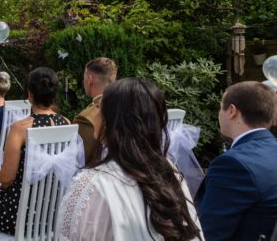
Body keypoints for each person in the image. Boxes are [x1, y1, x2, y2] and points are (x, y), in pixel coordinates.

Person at [58, 78, 202, 240]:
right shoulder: (169, 171)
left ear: (111, 121)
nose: (96, 114)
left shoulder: (92, 185)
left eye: (100, 108)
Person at [0, 67, 70, 235]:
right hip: (55, 212)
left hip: (20, 216)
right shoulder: (66, 123)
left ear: (30, 94)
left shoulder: (20, 128)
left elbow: (5, 179)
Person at [197, 81, 277, 241]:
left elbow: (209, 234)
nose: (219, 113)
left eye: (221, 107)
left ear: (232, 111)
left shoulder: (232, 165)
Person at [73, 57, 116, 166]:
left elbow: (80, 160)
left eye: (84, 78)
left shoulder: (86, 118)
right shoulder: (129, 107)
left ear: (90, 80)